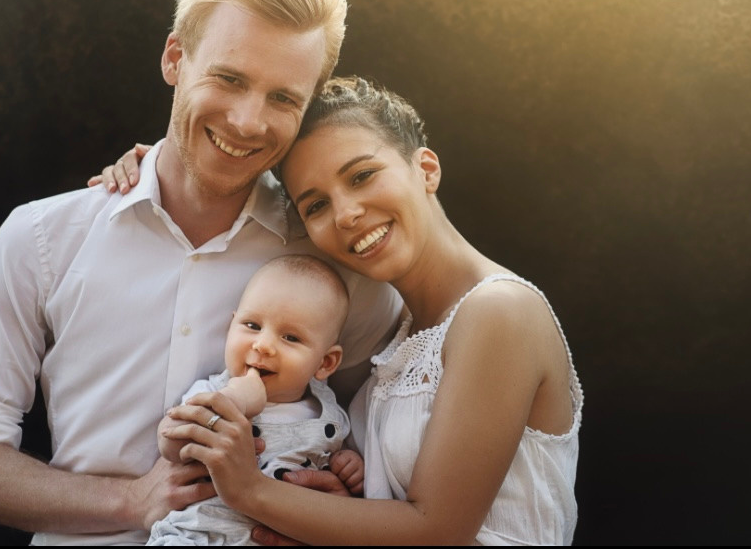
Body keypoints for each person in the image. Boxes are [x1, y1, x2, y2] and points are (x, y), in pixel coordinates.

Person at [0, 0, 402, 545]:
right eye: (228, 78)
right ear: (175, 58)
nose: (248, 121)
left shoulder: (331, 259)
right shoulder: (42, 237)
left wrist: (338, 500)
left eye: (283, 97)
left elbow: (378, 440)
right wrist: (131, 500)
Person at [101, 76, 583, 545]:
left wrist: (251, 490)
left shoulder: (500, 311)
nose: (347, 213)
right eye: (316, 206)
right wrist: (166, 170)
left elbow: (438, 531)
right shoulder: (396, 335)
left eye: (362, 175)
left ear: (427, 169)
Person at [149, 253, 364, 545]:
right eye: (252, 326)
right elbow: (170, 442)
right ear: (231, 326)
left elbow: (333, 466)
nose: (263, 345)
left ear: (325, 362)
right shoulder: (213, 391)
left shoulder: (330, 414)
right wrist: (231, 401)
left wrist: (349, 465)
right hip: (197, 534)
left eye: (290, 338)